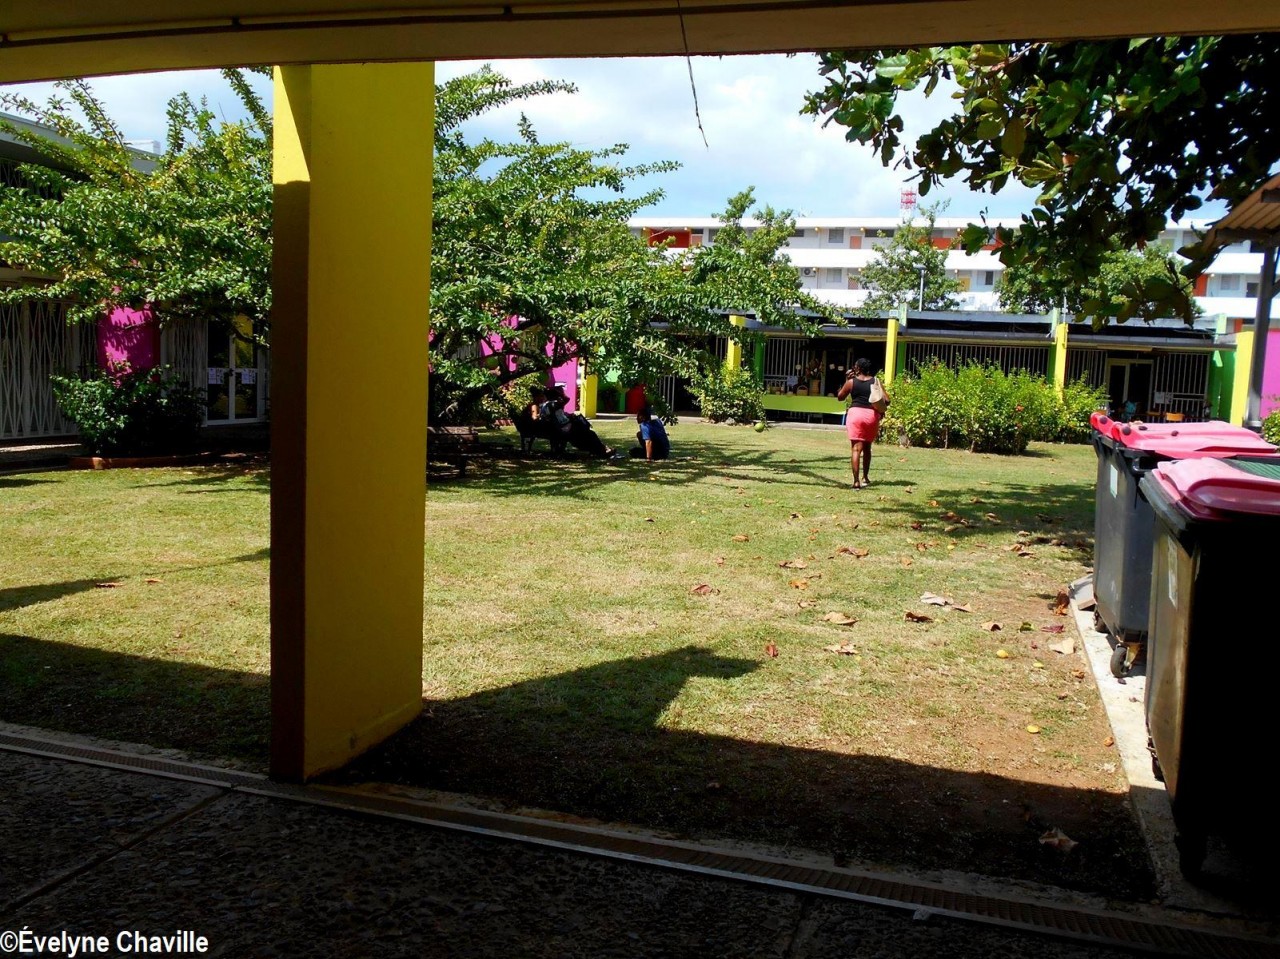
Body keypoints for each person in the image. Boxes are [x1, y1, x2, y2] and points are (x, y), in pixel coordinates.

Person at [836, 357, 884, 489]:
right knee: (867, 448)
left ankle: (856, 482)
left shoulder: (851, 382)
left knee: (856, 449)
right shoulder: (875, 381)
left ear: (857, 368)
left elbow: (840, 397)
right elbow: (887, 400)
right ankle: (865, 478)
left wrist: (846, 380)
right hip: (871, 415)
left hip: (855, 414)